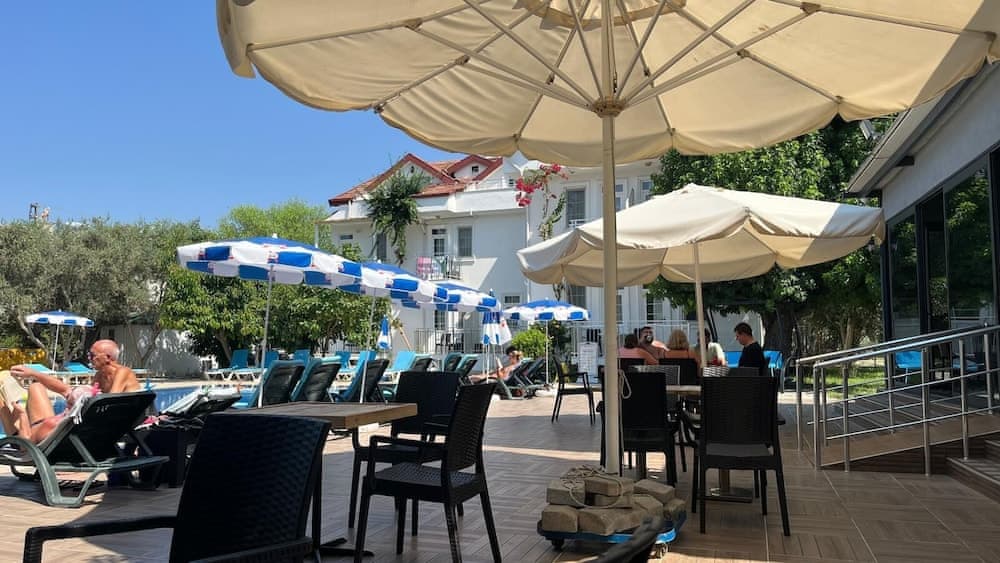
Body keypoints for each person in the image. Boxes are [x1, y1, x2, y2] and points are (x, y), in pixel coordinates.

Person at [0, 339, 140, 444]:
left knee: (20, 414)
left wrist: (22, 415)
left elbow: (110, 400)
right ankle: (20, 428)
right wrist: (33, 373)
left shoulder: (123, 372)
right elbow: (67, 391)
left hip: (72, 433)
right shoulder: (99, 376)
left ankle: (19, 431)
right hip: (75, 429)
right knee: (35, 387)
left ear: (108, 357)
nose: (89, 358)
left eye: (92, 355)